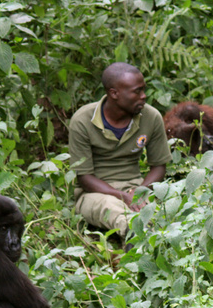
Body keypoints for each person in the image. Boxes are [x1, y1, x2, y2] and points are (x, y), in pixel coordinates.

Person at [69, 62, 170, 242]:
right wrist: (123, 197)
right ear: (114, 93)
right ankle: (135, 234)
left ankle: (146, 237)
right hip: (94, 193)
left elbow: (159, 166)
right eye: (136, 91)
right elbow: (84, 178)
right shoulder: (83, 120)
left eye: (143, 90)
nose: (144, 96)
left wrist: (140, 193)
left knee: (164, 209)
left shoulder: (151, 117)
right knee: (112, 208)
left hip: (137, 186)